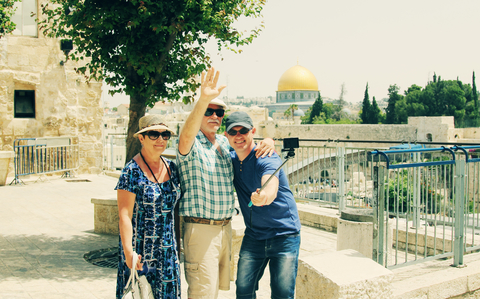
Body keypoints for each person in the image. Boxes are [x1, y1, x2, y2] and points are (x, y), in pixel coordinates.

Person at [176, 67, 274, 299]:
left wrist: (268, 139)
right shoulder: (192, 144)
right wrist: (203, 99)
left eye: (219, 113)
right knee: (202, 293)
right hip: (201, 230)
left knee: (215, 292)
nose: (214, 116)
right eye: (208, 111)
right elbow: (186, 134)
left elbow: (246, 145)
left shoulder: (222, 142)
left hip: (224, 228)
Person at [224, 111, 302, 299]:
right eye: (233, 132)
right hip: (254, 235)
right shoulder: (231, 159)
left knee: (282, 294)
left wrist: (264, 196)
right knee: (243, 290)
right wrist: (269, 138)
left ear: (253, 131)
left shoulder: (266, 156)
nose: (238, 136)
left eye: (243, 130)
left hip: (284, 235)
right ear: (226, 136)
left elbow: (271, 185)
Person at [115, 114, 182, 299]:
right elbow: (124, 216)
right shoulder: (131, 171)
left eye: (165, 135)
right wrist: (129, 252)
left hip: (168, 253)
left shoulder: (172, 168)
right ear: (141, 138)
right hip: (141, 254)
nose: (160, 139)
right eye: (153, 134)